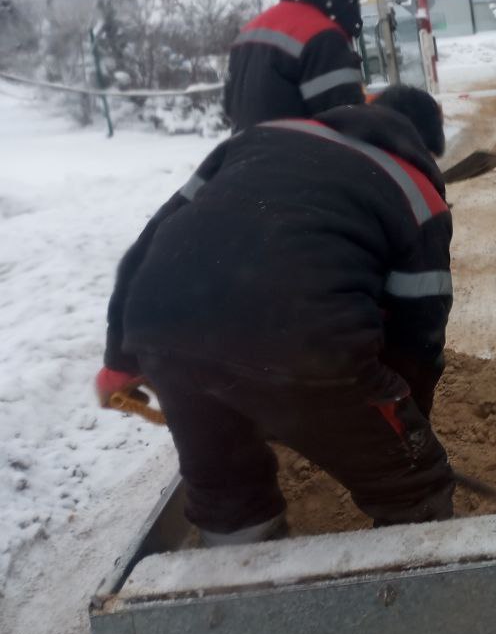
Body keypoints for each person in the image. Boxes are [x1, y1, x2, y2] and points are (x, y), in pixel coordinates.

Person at [94, 87, 454, 544]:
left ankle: (235, 585)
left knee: (227, 494)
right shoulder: (417, 193)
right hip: (309, 345)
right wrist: (404, 428)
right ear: (423, 146)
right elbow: (418, 336)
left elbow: (152, 239)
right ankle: (419, 583)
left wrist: (118, 361)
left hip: (162, 329)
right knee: (414, 486)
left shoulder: (255, 140)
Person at [223, 0, 367, 132]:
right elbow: (350, 124)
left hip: (244, 157)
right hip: (302, 160)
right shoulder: (322, 37)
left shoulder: (246, 35)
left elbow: (230, 109)